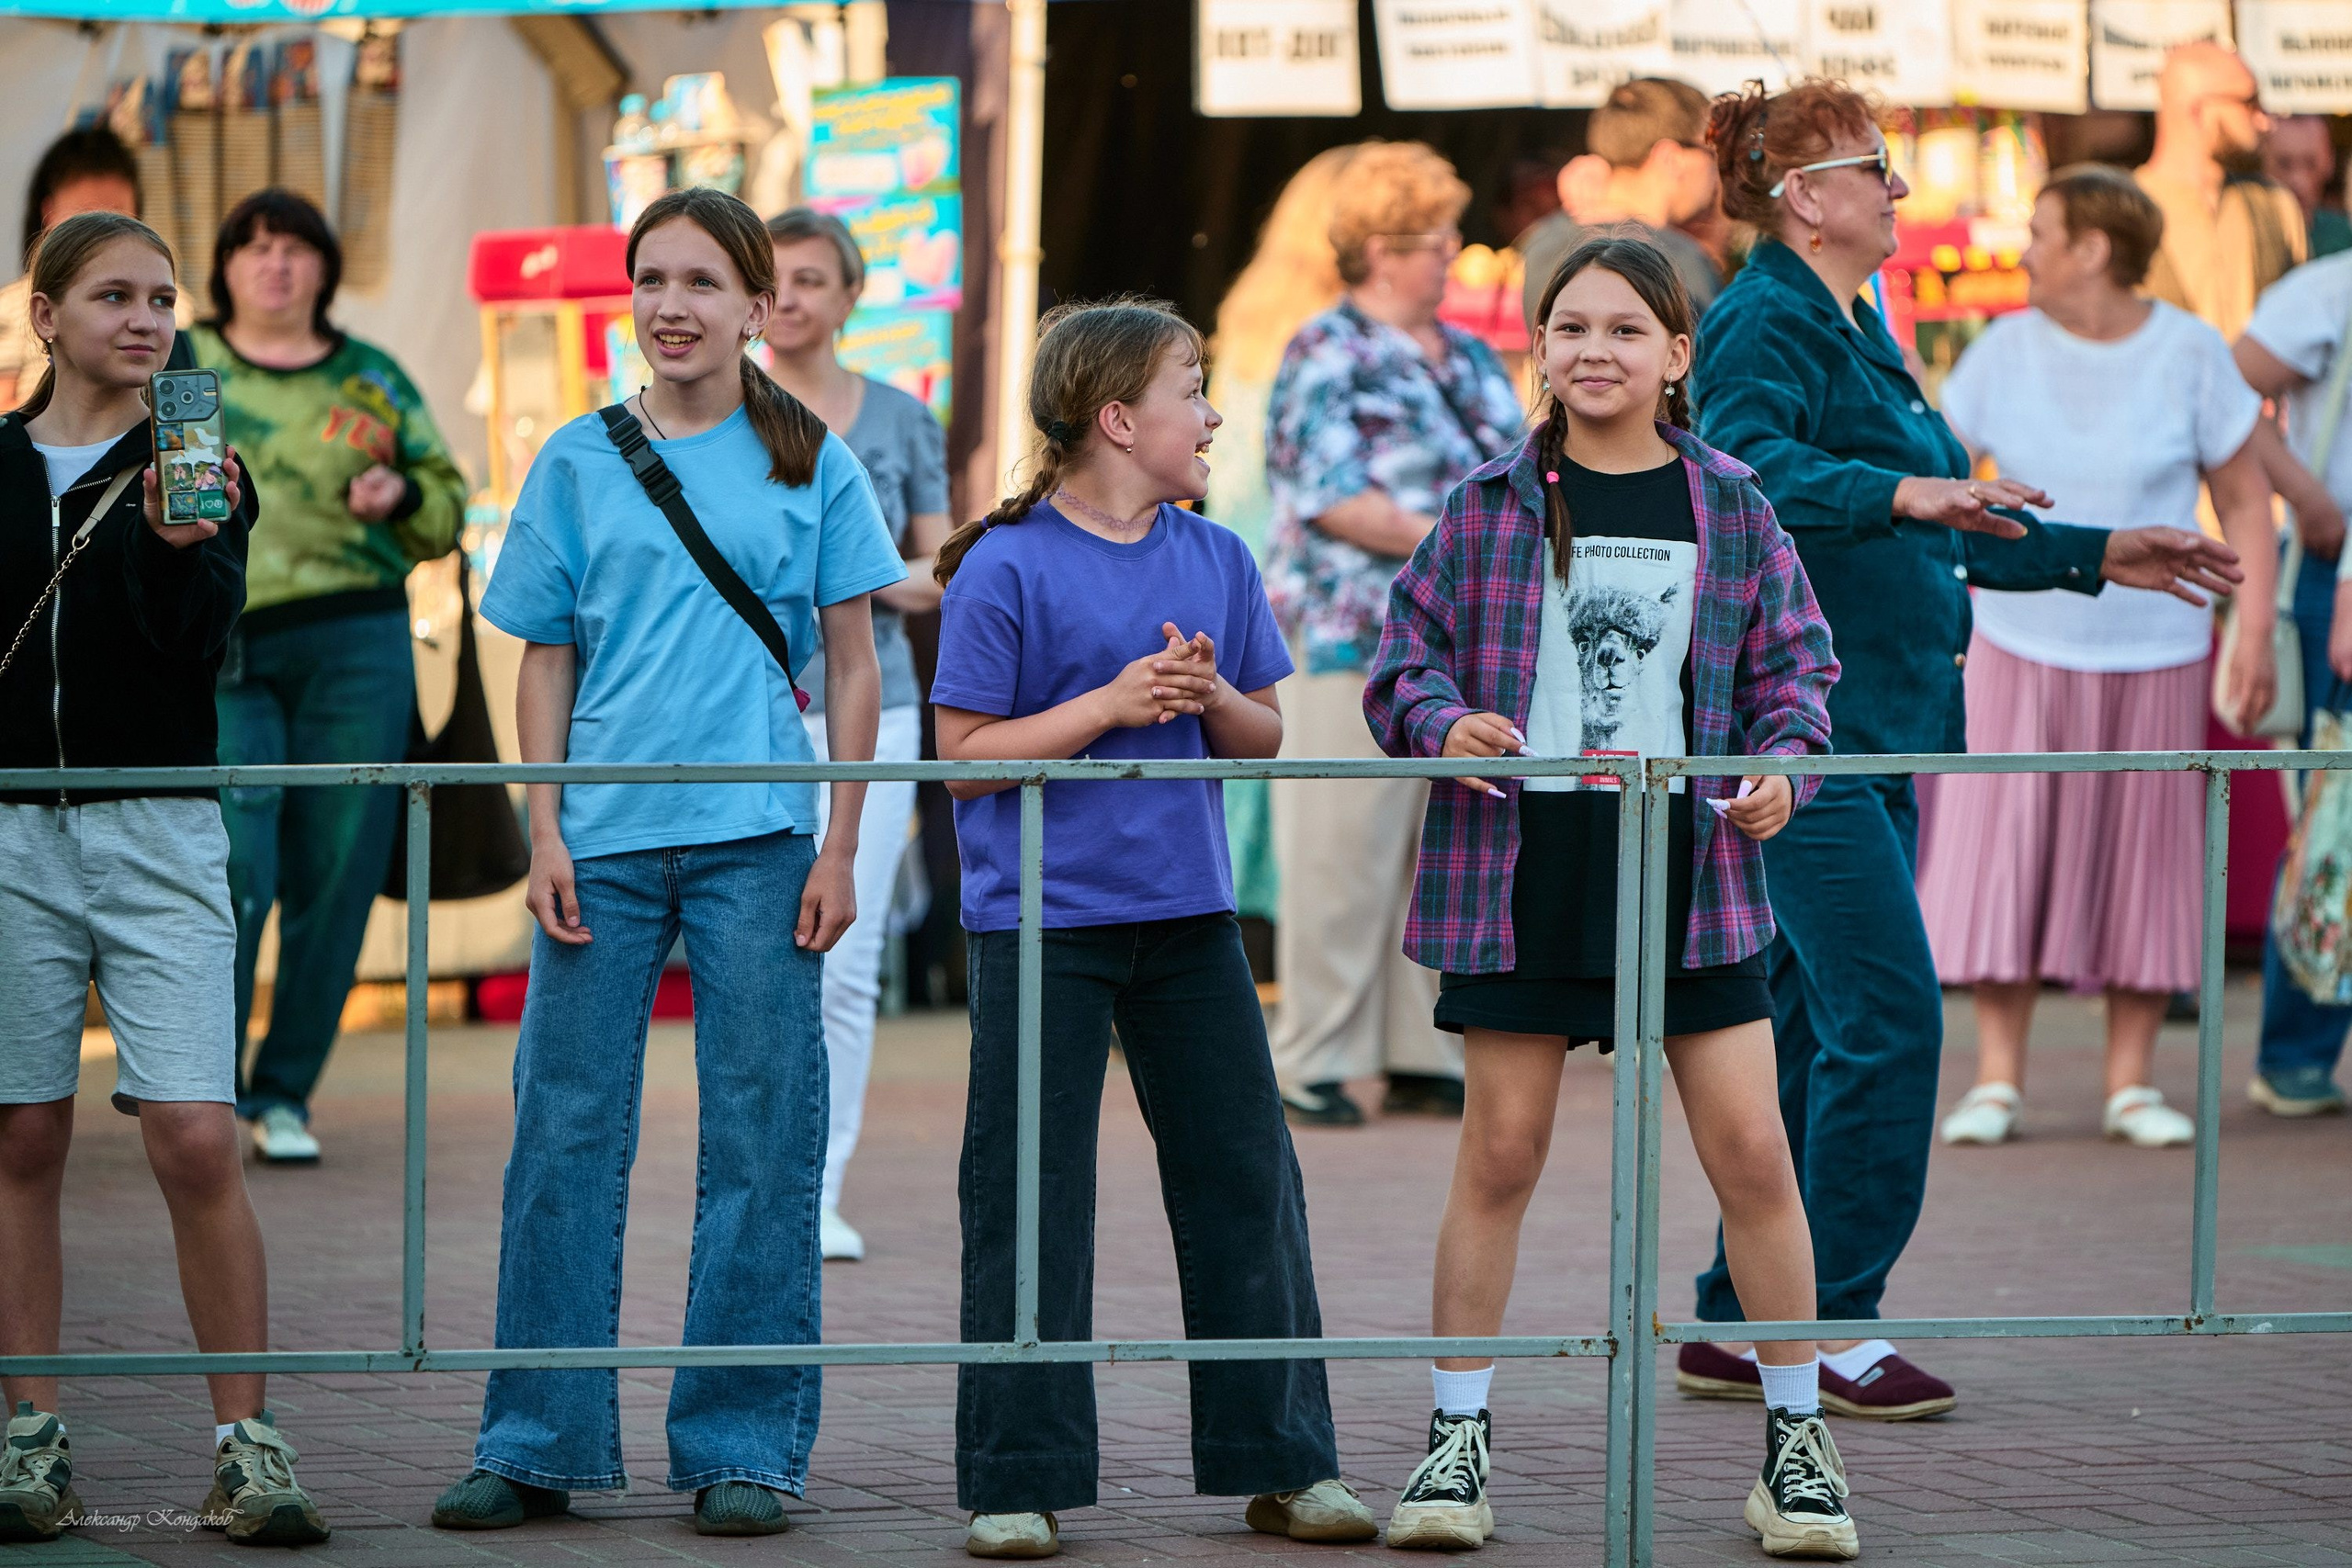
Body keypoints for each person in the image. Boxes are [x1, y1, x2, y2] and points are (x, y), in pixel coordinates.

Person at [1683, 79, 2245, 1417]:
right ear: (1804, 195)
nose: (1900, 188)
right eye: (1877, 168)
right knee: (1886, 1019)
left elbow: (1936, 513)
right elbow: (1742, 458)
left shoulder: (1844, 313)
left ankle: (1736, 1314)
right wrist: (1901, 488)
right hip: (1802, 735)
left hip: (1870, 727)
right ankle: (1827, 1324)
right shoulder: (1770, 315)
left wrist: (2101, 552)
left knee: (1826, 1026)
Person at [1368, 236, 1854, 1560]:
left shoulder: (1734, 501)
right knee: (1503, 1149)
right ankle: (1456, 1440)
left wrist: (1782, 764)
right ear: (1539, 346)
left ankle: (1799, 1443)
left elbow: (1798, 671)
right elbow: (1399, 656)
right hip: (1524, 867)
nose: (1596, 349)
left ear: (1678, 354)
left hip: (1693, 871)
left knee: (1753, 1151)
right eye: (1570, 326)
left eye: (1627, 329)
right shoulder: (1483, 501)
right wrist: (1444, 716)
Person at [428, 187, 904, 1539]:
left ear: (761, 305)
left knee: (763, 1132)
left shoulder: (816, 458)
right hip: (605, 842)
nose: (674, 305)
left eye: (704, 280)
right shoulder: (577, 457)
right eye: (652, 279)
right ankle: (533, 1436)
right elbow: (543, 655)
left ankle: (744, 1440)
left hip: (765, 838)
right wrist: (543, 825)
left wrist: (843, 839)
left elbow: (856, 662)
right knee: (562, 1130)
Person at [930, 299, 1373, 1561]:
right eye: (1194, 388)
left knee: (1247, 1180)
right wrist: (1111, 701)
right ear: (1120, 418)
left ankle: (1287, 1462)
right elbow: (962, 762)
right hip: (1040, 921)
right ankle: (1017, 1475)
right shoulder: (1006, 564)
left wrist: (1209, 693)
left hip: (1190, 916)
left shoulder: (1219, 556)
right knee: (1028, 1194)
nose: (1214, 413)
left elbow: (1265, 732)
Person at [0, 210, 325, 1547]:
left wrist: (172, 545)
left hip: (159, 822)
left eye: (161, 299)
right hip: (13, 823)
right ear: (47, 316)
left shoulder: (200, 469)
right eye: (114, 296)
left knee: (194, 1130)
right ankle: (30, 1439)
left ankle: (246, 1446)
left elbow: (200, 651)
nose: (145, 320)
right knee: (22, 1132)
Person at [1918, 167, 2275, 1150]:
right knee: (2002, 852)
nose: (2022, 249)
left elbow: (2245, 500)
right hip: (2015, 635)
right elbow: (1944, 477)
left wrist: (2250, 632)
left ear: (2092, 248)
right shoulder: (1999, 349)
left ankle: (2129, 1085)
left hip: (2156, 643)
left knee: (2147, 853)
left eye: (2038, 232)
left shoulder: (2192, 350)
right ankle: (1995, 1080)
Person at [188, 189, 469, 1165]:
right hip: (218, 647)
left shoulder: (372, 378)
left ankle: (282, 1096)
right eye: (255, 247)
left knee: (337, 873)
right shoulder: (184, 364)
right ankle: (200, 1093)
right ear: (223, 265)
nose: (275, 265)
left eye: (295, 248)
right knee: (232, 867)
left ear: (325, 267)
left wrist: (400, 494)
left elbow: (446, 507)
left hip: (356, 642)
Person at [1262, 141, 1520, 1128]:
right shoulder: (1323, 348)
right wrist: (1465, 548)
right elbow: (1333, 499)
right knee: (1340, 850)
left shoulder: (1462, 353)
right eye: (1429, 237)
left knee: (1434, 846)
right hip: (1347, 636)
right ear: (1375, 248)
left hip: (1456, 648)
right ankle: (1314, 1054)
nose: (1452, 251)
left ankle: (1419, 1046)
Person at [761, 206, 951, 1264]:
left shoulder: (898, 421)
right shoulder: (710, 412)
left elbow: (940, 565)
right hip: (738, 710)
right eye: (773, 279)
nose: (789, 297)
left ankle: (819, 1187)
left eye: (810, 278)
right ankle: (760, 1179)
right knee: (753, 953)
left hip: (868, 704)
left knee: (848, 953)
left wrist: (856, 581)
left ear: (848, 295)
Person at [1204, 143, 1360, 930]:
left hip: (1250, 567)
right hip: (1294, 580)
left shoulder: (1254, 317)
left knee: (1253, 788)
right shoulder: (1325, 337)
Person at [2240, 248, 2352, 1116]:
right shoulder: (2328, 288)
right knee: (2334, 818)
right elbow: (2225, 392)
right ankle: (2296, 1052)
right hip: (2331, 568)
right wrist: (2311, 500)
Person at [1517, 77, 1724, 335]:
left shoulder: (1541, 242)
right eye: (1711, 149)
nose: (1717, 168)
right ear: (1670, 157)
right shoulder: (1681, 260)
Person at [2135, 41, 2306, 341]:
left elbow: (2302, 328)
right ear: (2198, 110)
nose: (2264, 120)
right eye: (2249, 102)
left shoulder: (2275, 204)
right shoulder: (2120, 210)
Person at [1, 126, 143, 411]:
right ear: (49, 213)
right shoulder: (12, 306)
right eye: (84, 215)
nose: (102, 232)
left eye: (118, 214)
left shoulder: (175, 307)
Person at [2264, 116, 2352, 260]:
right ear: (2263, 163)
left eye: (2311, 164)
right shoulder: (2245, 234)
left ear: (2330, 162)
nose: (2298, 180)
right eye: (2284, 163)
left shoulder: (2346, 235)